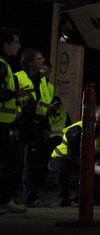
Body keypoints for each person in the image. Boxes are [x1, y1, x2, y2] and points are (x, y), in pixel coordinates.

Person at [15, 47, 57, 207]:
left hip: (37, 126)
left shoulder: (42, 80)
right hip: (23, 124)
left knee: (33, 163)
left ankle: (31, 197)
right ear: (30, 62)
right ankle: (17, 197)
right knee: (21, 163)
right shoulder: (18, 77)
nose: (42, 61)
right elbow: (13, 102)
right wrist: (15, 126)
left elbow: (42, 105)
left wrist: (46, 125)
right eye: (39, 58)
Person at [50, 105, 100, 207]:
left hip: (84, 160)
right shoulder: (77, 128)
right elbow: (72, 153)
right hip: (63, 157)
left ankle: (80, 198)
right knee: (62, 170)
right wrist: (89, 163)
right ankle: (64, 198)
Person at [0, 27, 27, 214]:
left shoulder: (5, 63)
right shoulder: (1, 64)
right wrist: (13, 93)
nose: (19, 45)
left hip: (4, 122)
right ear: (6, 44)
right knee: (10, 158)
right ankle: (4, 199)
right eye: (16, 42)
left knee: (8, 159)